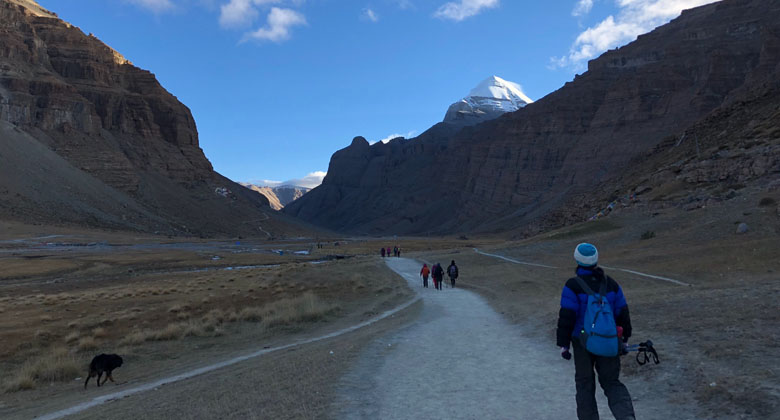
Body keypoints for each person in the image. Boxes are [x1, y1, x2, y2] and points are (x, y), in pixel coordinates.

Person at [556, 243, 635, 420]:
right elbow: (622, 312)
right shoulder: (611, 284)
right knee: (612, 382)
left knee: (585, 384)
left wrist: (564, 345)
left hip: (582, 341)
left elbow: (567, 316)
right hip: (608, 340)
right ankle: (626, 417)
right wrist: (624, 339)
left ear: (577, 259)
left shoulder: (572, 285)